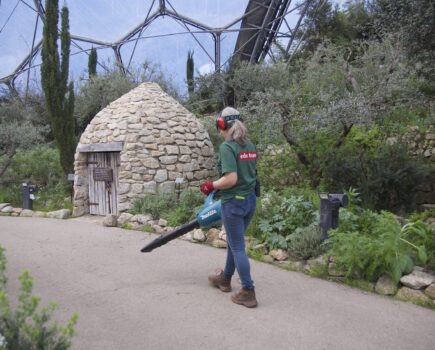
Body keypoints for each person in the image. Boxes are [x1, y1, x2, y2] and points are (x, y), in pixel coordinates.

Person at [200, 106, 258, 308]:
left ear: (223, 125)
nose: (219, 130)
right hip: (250, 201)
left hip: (234, 203)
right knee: (235, 243)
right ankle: (225, 279)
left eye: (219, 126)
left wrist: (211, 186)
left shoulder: (227, 147)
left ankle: (248, 291)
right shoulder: (249, 145)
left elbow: (231, 178)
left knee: (238, 247)